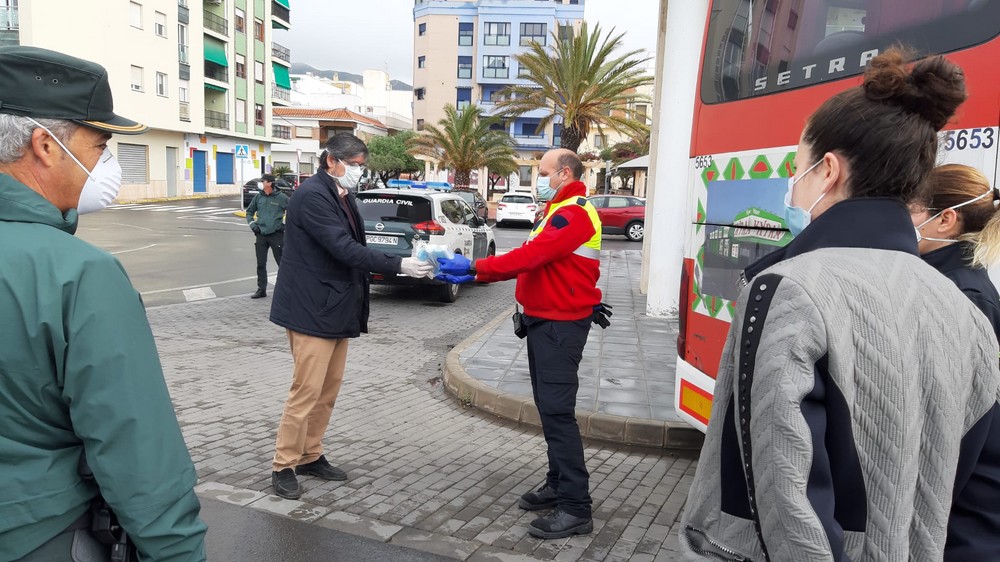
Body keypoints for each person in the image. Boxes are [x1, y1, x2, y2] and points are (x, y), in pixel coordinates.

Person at [679, 49, 1000, 561]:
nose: (795, 182)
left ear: (827, 170)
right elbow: (977, 494)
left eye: (798, 166)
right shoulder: (965, 309)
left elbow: (787, 498)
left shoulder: (786, 286)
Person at [0, 46, 206, 561]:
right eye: (100, 143)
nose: (104, 162)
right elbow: (136, 450)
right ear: (45, 146)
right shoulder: (78, 274)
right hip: (40, 533)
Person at [436, 148, 607, 540]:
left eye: (543, 172)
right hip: (545, 321)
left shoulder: (574, 212)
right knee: (549, 409)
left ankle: (576, 508)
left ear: (564, 173)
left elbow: (531, 257)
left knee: (557, 414)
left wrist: (476, 269)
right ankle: (557, 484)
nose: (538, 179)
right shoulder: (557, 209)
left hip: (560, 326)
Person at [268, 132, 434, 499]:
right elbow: (343, 248)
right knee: (306, 391)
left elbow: (356, 245)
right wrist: (399, 265)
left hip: (334, 307)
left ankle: (311, 454)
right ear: (331, 160)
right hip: (311, 308)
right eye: (354, 165)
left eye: (361, 166)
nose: (359, 172)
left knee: (327, 390)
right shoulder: (312, 196)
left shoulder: (340, 193)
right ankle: (284, 464)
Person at [911, 163, 1000, 559]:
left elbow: (951, 426)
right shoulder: (951, 279)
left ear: (946, 219)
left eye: (910, 209)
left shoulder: (961, 293)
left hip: (963, 522)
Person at [246, 173, 288, 299]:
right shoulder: (259, 197)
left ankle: (286, 288)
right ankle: (261, 289)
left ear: (269, 183)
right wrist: (254, 225)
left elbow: (293, 212)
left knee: (282, 263)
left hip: (276, 235)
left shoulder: (282, 198)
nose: (261, 183)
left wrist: (283, 225)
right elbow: (249, 212)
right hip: (261, 235)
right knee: (260, 263)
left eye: (262, 181)